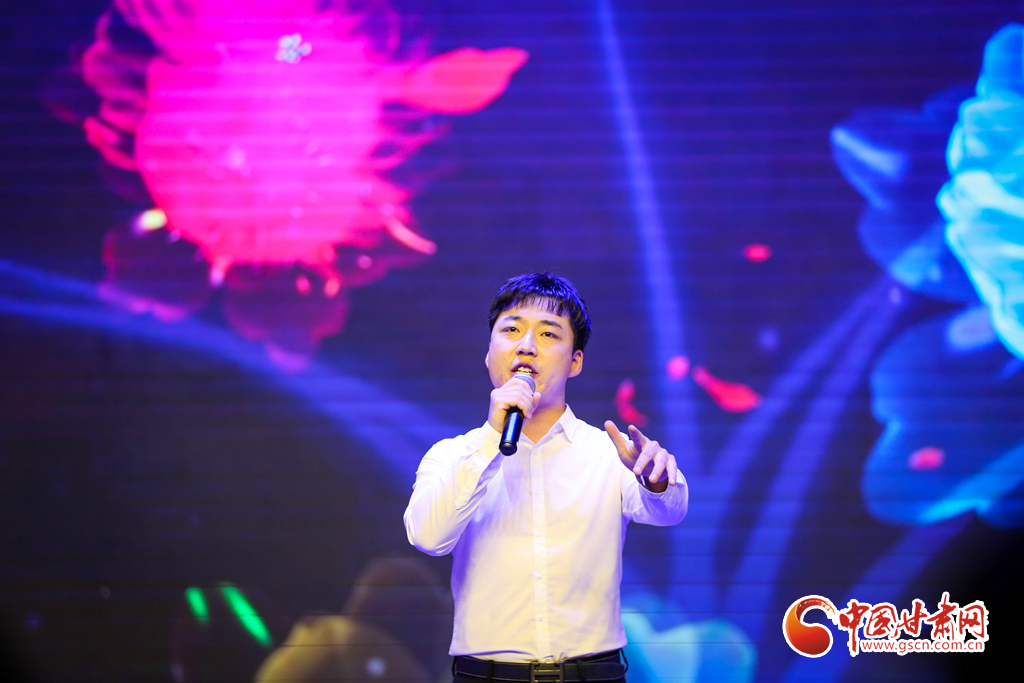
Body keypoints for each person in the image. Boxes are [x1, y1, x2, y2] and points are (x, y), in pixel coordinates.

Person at [403, 273, 688, 683]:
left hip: (593, 674)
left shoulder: (611, 452)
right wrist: (491, 441)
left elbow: (670, 512)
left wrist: (657, 482)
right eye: (511, 330)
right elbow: (428, 537)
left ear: (575, 362)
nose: (526, 345)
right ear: (489, 354)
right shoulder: (451, 456)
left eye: (548, 334)